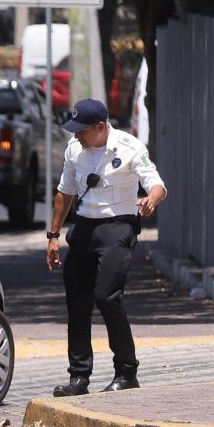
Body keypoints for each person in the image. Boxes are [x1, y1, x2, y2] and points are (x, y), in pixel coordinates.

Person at [45, 98, 167, 397]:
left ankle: (126, 372)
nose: (76, 136)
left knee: (107, 296)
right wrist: (53, 235)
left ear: (100, 127)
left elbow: (157, 184)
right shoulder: (75, 149)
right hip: (84, 227)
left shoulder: (129, 147)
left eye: (82, 131)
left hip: (117, 227)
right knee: (77, 300)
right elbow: (65, 192)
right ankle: (78, 377)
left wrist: (151, 199)